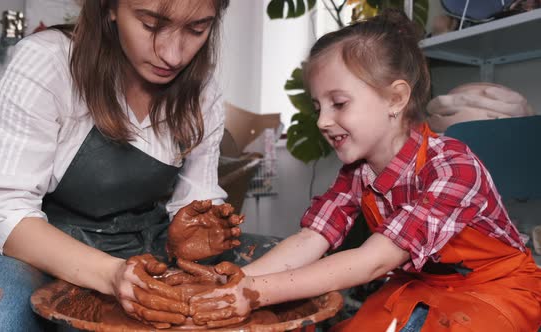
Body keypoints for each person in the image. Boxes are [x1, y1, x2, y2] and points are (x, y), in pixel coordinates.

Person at [188, 9, 541, 331]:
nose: (324, 122)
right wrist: (232, 284)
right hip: (422, 284)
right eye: (318, 107)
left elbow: (373, 262)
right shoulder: (357, 172)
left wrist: (254, 293)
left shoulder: (452, 167)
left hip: (498, 289)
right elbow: (312, 240)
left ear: (395, 99)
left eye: (339, 103)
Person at [0, 0, 277, 330]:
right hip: (41, 253)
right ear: (109, 7)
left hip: (146, 250)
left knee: (284, 272)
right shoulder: (49, 62)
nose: (173, 55)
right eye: (151, 25)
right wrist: (110, 273)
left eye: (197, 29)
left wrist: (191, 239)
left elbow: (196, 198)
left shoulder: (202, 92)